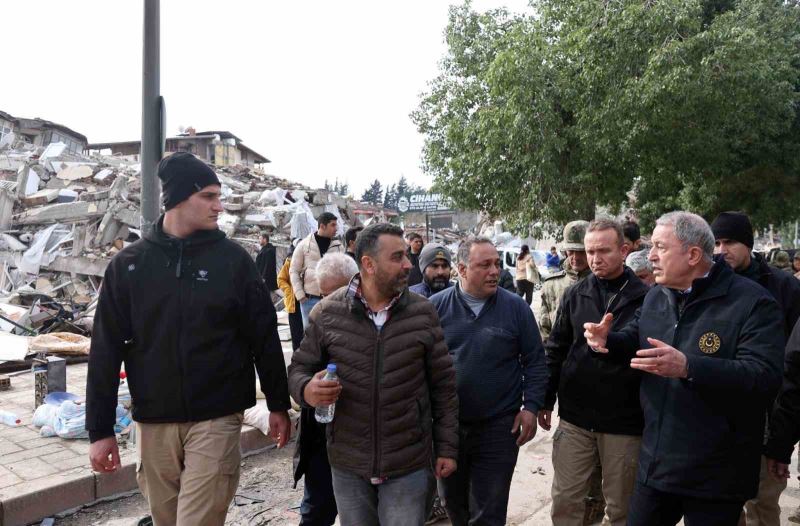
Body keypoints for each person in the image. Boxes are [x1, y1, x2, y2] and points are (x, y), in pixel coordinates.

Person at [86, 152, 292, 526]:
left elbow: (263, 337)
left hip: (217, 414)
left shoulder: (233, 261)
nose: (219, 205)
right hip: (152, 420)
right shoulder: (129, 266)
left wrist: (279, 403)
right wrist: (99, 430)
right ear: (179, 198)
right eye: (209, 196)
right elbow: (105, 351)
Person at [585, 211, 785, 526]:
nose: (649, 256)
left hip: (717, 474)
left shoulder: (752, 303)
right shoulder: (656, 297)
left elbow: (764, 376)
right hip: (657, 463)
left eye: (660, 248)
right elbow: (637, 343)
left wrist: (689, 366)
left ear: (693, 255)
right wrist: (607, 341)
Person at [288, 223, 459, 526]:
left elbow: (443, 386)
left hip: (408, 462)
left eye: (407, 255)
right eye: (397, 257)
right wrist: (307, 390)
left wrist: (446, 447)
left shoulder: (422, 312)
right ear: (368, 264)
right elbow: (298, 369)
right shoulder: (328, 312)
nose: (408, 264)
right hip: (348, 462)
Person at [430, 237, 547, 526]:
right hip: (448, 429)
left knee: (489, 513)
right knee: (454, 506)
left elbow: (535, 361)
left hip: (499, 427)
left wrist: (530, 407)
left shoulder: (516, 308)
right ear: (462, 269)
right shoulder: (434, 309)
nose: (495, 271)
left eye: (496, 264)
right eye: (484, 265)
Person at [543, 219, 648, 525]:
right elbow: (556, 349)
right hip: (575, 418)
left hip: (624, 423)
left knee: (621, 509)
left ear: (624, 250)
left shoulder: (645, 296)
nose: (594, 258)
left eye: (603, 250)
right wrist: (546, 400)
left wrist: (607, 341)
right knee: (565, 500)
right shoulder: (575, 294)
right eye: (590, 251)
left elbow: (636, 340)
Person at [711, 211, 800, 525]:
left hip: (769, 418)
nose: (722, 250)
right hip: (718, 423)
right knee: (721, 508)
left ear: (748, 244)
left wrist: (783, 435)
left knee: (763, 507)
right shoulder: (706, 284)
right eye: (717, 242)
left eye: (730, 242)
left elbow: (794, 362)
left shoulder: (784, 288)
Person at [292, 252, 359, 526]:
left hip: (363, 436)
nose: (331, 301)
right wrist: (308, 389)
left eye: (339, 292)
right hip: (323, 432)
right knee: (317, 509)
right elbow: (297, 369)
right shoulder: (319, 317)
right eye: (325, 294)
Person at [290, 212, 344, 328]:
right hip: (309, 300)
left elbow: (344, 273)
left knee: (332, 335)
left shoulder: (339, 247)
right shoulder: (304, 245)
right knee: (310, 336)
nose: (337, 228)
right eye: (333, 225)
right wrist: (300, 294)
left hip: (332, 300)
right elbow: (294, 270)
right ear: (322, 226)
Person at [539, 221, 591, 341]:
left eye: (581, 252)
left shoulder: (603, 282)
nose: (575, 257)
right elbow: (544, 328)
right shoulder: (551, 284)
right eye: (571, 251)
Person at [277, 244, 304, 351]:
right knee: (296, 335)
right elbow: (280, 279)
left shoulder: (307, 262)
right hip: (294, 304)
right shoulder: (289, 262)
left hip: (305, 302)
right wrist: (289, 291)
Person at [256, 232, 279, 300]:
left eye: (260, 239)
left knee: (268, 294)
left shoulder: (269, 250)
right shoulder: (265, 249)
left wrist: (263, 277)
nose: (259, 241)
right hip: (263, 277)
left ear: (265, 239)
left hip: (267, 278)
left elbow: (267, 265)